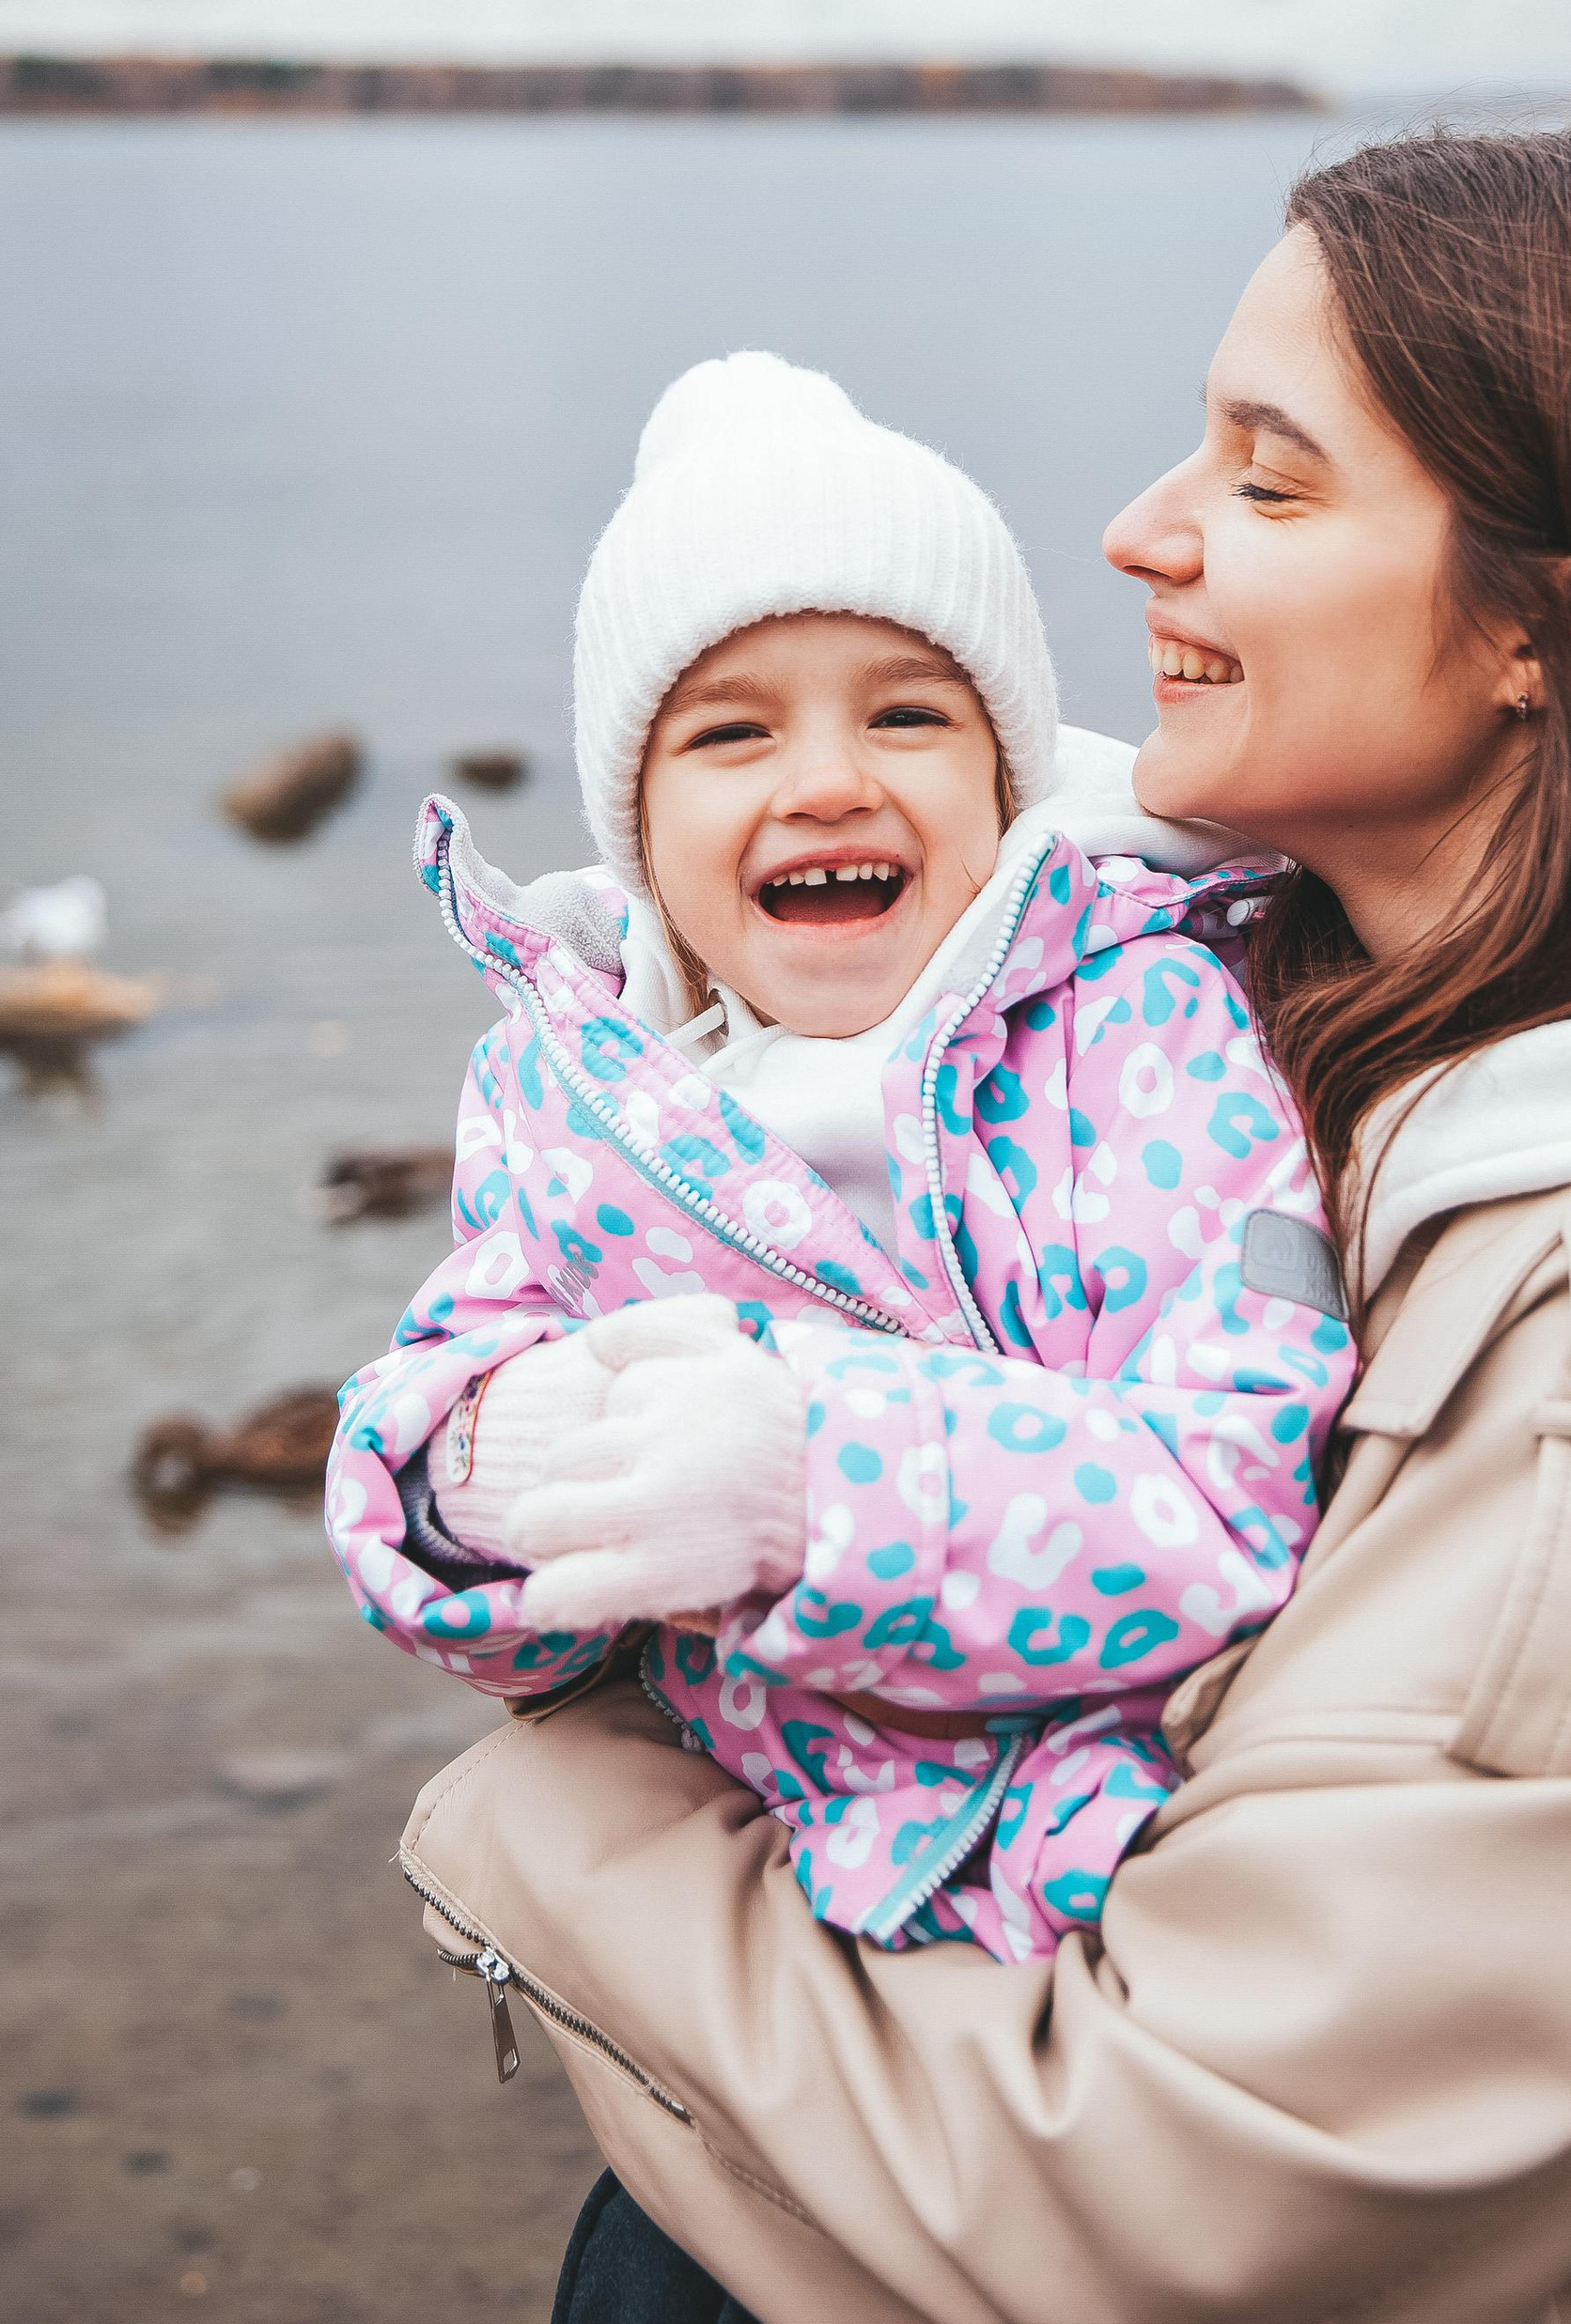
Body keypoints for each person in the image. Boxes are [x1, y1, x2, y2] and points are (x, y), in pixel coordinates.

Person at [397, 128, 1571, 2324]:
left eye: (1269, 477)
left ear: (1537, 623)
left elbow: (1169, 2206)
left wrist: (542, 1820)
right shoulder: (1269, 1005)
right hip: (818, 2218)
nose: (1134, 531)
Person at [329, 350, 1356, 1965]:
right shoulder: (574, 1091)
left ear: (1008, 780)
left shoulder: (1143, 1029)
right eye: (730, 735)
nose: (826, 781)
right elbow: (486, 1529)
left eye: (907, 714)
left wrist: (814, 1484)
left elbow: (1248, 1484)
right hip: (790, 1876)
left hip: (1114, 1859)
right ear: (638, 834)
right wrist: (476, 1476)